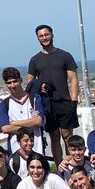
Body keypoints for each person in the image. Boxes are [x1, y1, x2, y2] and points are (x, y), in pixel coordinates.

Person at [25, 25, 80, 162]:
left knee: (67, 136)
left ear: (52, 35)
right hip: (47, 103)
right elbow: (30, 82)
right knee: (54, 136)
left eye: (46, 34)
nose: (44, 38)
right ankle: (60, 168)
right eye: (41, 36)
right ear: (37, 38)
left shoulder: (65, 56)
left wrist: (73, 101)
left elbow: (73, 79)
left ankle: (72, 167)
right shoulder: (35, 59)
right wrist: (39, 88)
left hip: (65, 101)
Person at [0, 68, 45, 156]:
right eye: (9, 83)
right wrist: (31, 122)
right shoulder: (4, 104)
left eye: (15, 81)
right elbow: (5, 128)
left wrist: (14, 123)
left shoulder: (34, 99)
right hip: (16, 152)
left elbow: (39, 121)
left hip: (37, 148)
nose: (12, 85)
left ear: (21, 80)